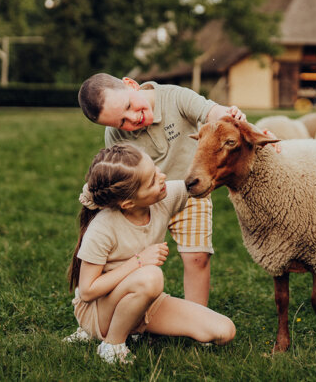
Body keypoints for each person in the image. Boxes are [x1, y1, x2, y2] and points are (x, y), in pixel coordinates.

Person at [67, 144, 235, 364]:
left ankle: (133, 328)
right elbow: (88, 291)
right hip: (98, 312)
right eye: (152, 181)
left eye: (156, 170)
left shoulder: (163, 198)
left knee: (224, 331)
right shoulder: (103, 228)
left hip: (145, 301)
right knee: (151, 277)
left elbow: (201, 182)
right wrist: (139, 261)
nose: (162, 177)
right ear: (128, 203)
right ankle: (112, 346)